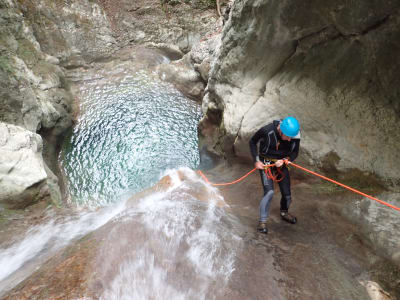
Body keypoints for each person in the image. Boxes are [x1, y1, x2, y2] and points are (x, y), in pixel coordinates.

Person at [249, 116, 301, 234]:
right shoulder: (267, 130)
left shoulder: (295, 133)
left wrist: (286, 159)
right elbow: (252, 142)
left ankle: (284, 212)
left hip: (281, 161)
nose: (289, 140)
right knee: (270, 192)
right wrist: (256, 160)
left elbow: (295, 152)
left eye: (291, 138)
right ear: (281, 131)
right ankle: (262, 222)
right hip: (265, 162)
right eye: (288, 137)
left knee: (287, 194)